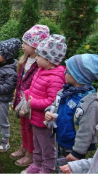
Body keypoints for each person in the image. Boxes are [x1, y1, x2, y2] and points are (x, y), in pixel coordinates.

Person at [22, 34, 67, 174]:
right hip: (35, 118)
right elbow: (36, 88)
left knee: (47, 147)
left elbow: (53, 101)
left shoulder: (55, 78)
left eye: (39, 56)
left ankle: (47, 169)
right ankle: (36, 164)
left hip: (45, 121)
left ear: (49, 59)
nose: (36, 58)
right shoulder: (41, 70)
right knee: (37, 145)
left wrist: (33, 102)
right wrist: (27, 93)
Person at [45, 54, 98, 170]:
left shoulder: (89, 103)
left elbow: (86, 131)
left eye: (67, 71)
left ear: (78, 76)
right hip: (61, 139)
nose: (64, 72)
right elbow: (54, 105)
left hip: (73, 147)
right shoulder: (65, 91)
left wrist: (77, 153)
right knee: (60, 165)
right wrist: (49, 111)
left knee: (70, 169)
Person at [11, 25, 50, 167]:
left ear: (36, 46)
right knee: (23, 126)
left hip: (32, 103)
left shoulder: (40, 64)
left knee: (30, 129)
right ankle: (24, 147)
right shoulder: (25, 60)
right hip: (22, 100)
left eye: (26, 43)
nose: (23, 45)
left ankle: (31, 154)